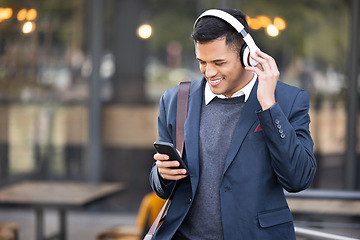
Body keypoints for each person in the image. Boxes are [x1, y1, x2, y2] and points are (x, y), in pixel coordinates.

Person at [150, 8, 317, 240]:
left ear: (247, 55)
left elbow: (299, 179)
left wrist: (269, 106)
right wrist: (161, 175)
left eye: (219, 62)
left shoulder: (289, 100)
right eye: (202, 62)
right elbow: (162, 184)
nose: (209, 72)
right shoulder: (175, 100)